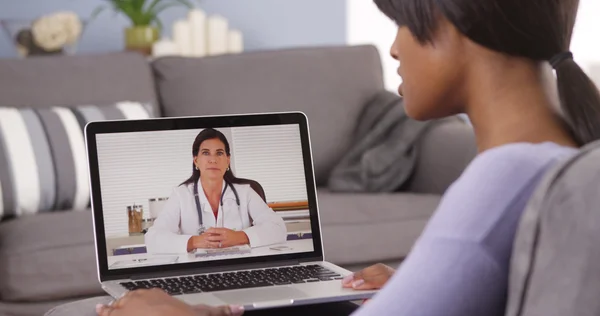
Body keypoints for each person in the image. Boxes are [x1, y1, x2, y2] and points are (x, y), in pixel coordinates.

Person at [99, 0, 600, 314]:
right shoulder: (560, 157)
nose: (395, 48)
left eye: (402, 23)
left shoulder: (504, 175)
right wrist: (416, 287)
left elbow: (272, 231)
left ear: (454, 23)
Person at [145, 128, 287, 254]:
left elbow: (278, 228)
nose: (213, 159)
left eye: (219, 153)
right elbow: (153, 238)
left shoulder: (245, 192)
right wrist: (193, 242)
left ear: (227, 160)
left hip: (240, 268)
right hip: (197, 272)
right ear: (196, 161)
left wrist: (239, 237)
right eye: (206, 153)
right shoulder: (181, 195)